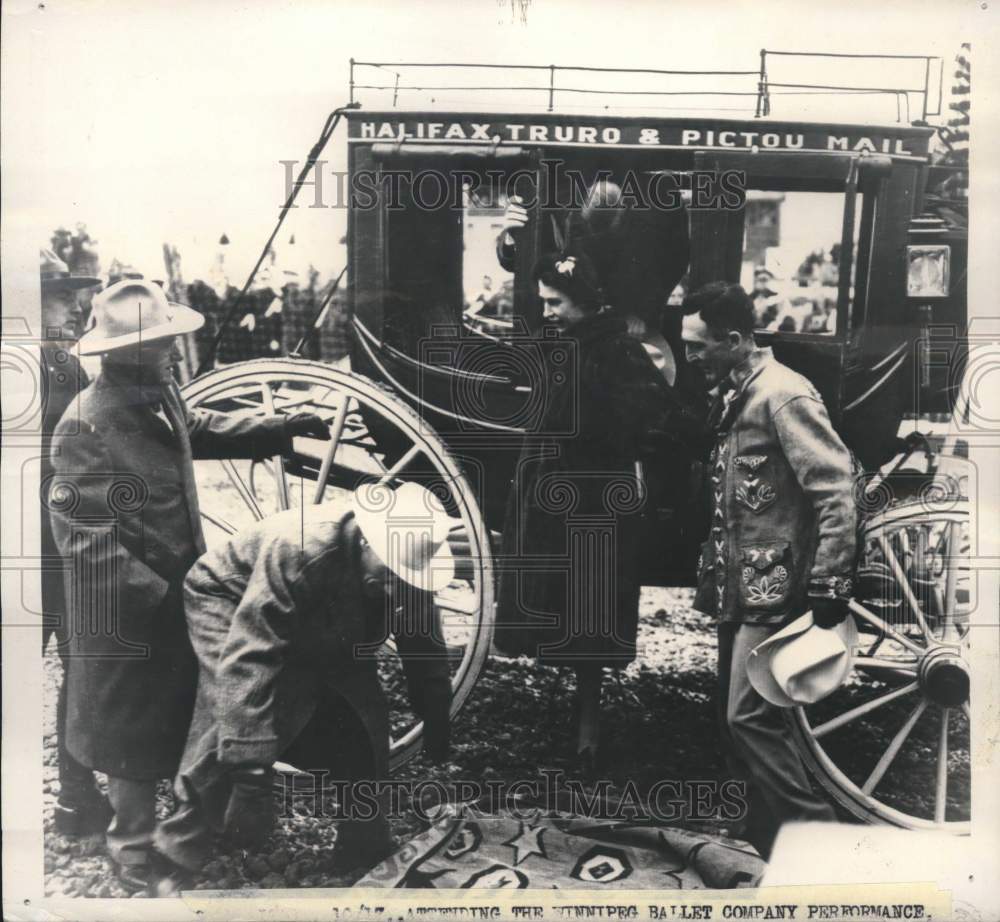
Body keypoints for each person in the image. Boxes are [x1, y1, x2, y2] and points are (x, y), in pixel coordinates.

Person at [48, 279, 330, 890]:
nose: (176, 350)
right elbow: (85, 540)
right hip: (125, 611)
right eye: (165, 342)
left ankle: (182, 828)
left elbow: (200, 426)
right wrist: (156, 595)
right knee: (127, 731)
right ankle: (131, 849)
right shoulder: (85, 424)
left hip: (179, 590)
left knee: (175, 712)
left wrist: (284, 424)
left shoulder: (162, 393)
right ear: (131, 352)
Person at [149, 482, 455, 894]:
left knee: (364, 716)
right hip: (229, 596)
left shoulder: (406, 561)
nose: (394, 589)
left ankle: (363, 845)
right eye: (391, 575)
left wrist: (436, 713)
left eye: (406, 579)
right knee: (237, 705)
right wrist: (252, 774)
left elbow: (424, 645)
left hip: (324, 607)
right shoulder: (300, 548)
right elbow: (250, 656)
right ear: (367, 540)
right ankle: (176, 850)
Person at [495, 252, 700, 771]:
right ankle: (577, 718)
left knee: (588, 615)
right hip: (554, 498)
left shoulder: (616, 351)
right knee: (564, 607)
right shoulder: (568, 344)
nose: (547, 312)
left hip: (592, 506)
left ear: (585, 301)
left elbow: (657, 421)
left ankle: (589, 731)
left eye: (555, 303)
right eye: (544, 303)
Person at [680, 282, 857, 859]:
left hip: (774, 585)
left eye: (698, 345)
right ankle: (763, 837)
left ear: (734, 340)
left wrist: (830, 580)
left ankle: (819, 837)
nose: (690, 356)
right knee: (734, 717)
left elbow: (835, 490)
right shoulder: (741, 389)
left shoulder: (782, 394)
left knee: (748, 717)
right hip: (741, 583)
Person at [37, 249, 111, 836]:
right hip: (44, 549)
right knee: (75, 668)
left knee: (79, 667)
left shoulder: (64, 365)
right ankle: (74, 799)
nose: (76, 307)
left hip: (51, 547)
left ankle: (76, 798)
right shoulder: (56, 367)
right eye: (60, 296)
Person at [496, 179, 691, 387]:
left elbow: (674, 260)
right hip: (566, 326)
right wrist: (513, 236)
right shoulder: (555, 193)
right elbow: (525, 260)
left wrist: (642, 313)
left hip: (626, 326)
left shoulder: (652, 203)